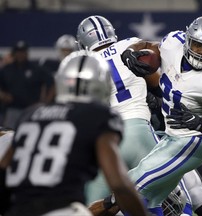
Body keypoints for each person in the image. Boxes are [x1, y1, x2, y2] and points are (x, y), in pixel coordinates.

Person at [0, 50, 149, 216]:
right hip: (61, 209)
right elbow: (119, 184)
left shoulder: (29, 114)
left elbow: (4, 169)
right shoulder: (97, 114)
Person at [119, 14, 202, 215]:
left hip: (191, 142)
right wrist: (129, 52)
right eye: (198, 45)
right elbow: (145, 44)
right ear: (188, 39)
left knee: (130, 189)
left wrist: (200, 124)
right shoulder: (173, 44)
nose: (201, 52)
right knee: (161, 201)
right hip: (170, 139)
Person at [75, 15, 162, 207]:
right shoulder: (129, 45)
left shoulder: (82, 66)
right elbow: (159, 82)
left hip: (107, 141)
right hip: (141, 132)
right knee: (171, 203)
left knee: (94, 207)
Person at [0, 40, 55, 130]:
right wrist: (2, 95)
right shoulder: (6, 69)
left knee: (30, 133)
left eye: (23, 52)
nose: (20, 55)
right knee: (9, 135)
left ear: (26, 53)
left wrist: (46, 102)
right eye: (18, 52)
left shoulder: (36, 69)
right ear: (14, 53)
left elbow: (52, 83)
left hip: (32, 109)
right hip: (12, 109)